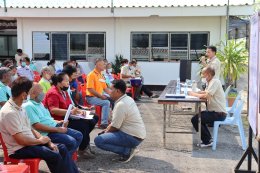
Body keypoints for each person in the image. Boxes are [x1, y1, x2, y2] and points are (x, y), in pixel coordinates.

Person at [0, 77, 79, 173]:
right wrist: (40, 141)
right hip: (19, 149)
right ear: (24, 95)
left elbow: (31, 129)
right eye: (30, 93)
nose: (31, 96)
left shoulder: (20, 108)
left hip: (30, 144)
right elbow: (21, 140)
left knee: (61, 148)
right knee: (54, 154)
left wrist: (48, 142)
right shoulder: (9, 112)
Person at [43, 72, 98, 158]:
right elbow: (53, 110)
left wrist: (80, 111)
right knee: (84, 125)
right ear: (59, 82)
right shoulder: (53, 93)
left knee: (94, 117)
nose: (68, 83)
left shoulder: (63, 91)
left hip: (69, 116)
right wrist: (71, 112)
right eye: (66, 81)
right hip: (60, 120)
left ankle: (85, 142)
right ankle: (82, 149)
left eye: (69, 81)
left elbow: (70, 106)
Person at [23, 83, 83, 157]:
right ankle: (64, 160)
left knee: (79, 135)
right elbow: (37, 126)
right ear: (33, 93)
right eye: (41, 91)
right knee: (71, 142)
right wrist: (57, 129)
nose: (43, 93)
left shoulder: (40, 103)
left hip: (54, 127)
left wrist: (59, 122)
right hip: (46, 133)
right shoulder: (29, 106)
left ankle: (65, 159)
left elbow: (47, 119)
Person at [95, 80, 146, 162]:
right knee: (104, 134)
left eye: (111, 89)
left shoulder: (121, 104)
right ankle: (128, 148)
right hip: (137, 135)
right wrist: (107, 130)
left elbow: (115, 126)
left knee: (99, 140)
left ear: (118, 91)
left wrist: (106, 131)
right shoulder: (127, 98)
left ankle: (126, 151)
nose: (109, 92)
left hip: (132, 137)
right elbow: (115, 123)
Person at [189, 67, 227, 147]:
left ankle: (207, 141)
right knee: (198, 117)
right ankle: (208, 139)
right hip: (215, 112)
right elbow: (206, 92)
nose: (202, 77)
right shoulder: (211, 82)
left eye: (204, 75)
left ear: (209, 75)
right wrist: (198, 92)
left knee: (196, 119)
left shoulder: (215, 81)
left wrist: (193, 94)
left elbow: (207, 95)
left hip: (218, 114)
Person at [86, 58, 112, 129]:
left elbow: (105, 88)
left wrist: (113, 94)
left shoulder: (101, 74)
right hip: (91, 98)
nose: (105, 66)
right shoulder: (91, 75)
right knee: (106, 102)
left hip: (98, 97)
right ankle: (104, 123)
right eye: (103, 64)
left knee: (113, 100)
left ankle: (112, 120)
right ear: (98, 65)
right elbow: (90, 89)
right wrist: (100, 96)